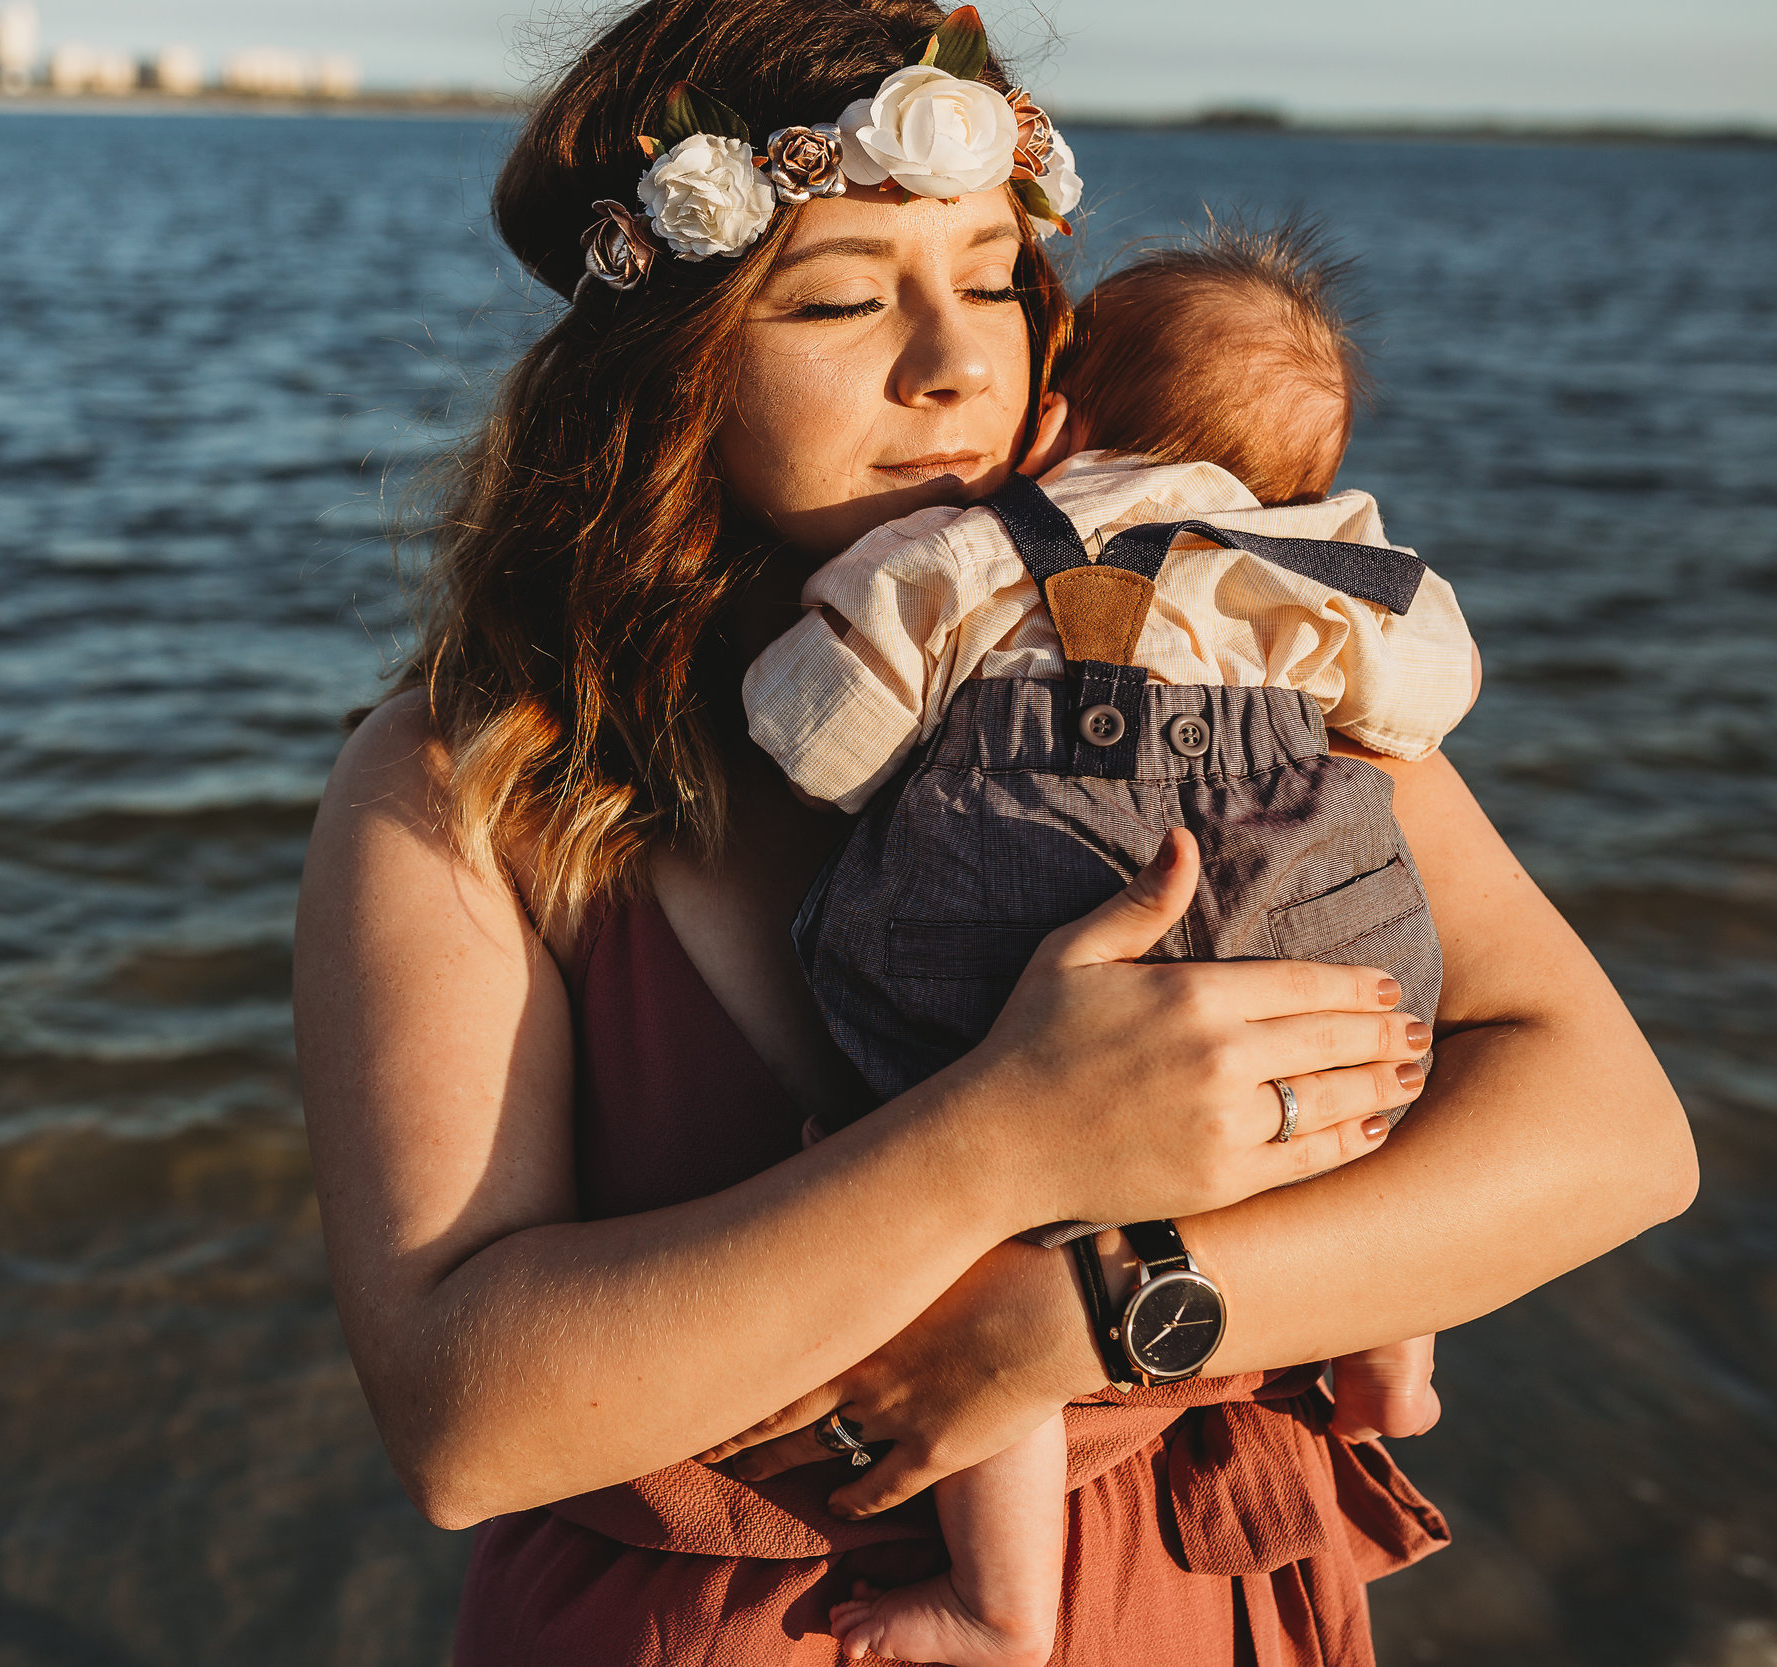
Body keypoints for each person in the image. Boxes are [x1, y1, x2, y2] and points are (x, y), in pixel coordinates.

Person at [292, 1, 1695, 1661]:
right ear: (663, 376)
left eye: (989, 281)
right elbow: (466, 1426)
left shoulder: (1199, 656)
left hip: (1200, 1600)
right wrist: (1001, 1141)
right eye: (833, 296)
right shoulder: (484, 778)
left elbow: (1615, 1138)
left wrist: (1079, 1318)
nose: (954, 362)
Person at [747, 224, 1469, 1664]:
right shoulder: (1325, 547)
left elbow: (824, 735)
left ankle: (1001, 1601)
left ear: (1062, 415)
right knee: (1354, 1089)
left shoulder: (977, 544)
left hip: (1044, 906)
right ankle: (1393, 1350)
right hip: (1301, 880)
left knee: (997, 1211)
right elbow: (1428, 686)